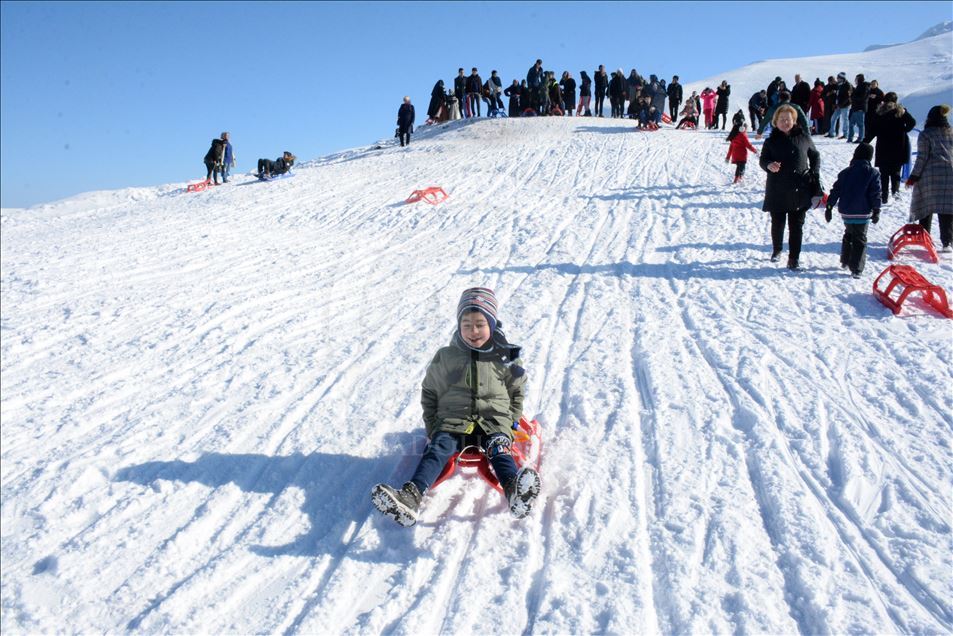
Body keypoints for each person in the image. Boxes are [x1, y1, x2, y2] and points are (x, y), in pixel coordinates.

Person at [371, 288, 541, 526]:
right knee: (437, 451)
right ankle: (411, 497)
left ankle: (514, 491)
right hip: (453, 421)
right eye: (467, 324)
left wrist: (510, 420)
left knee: (500, 451)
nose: (473, 331)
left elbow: (517, 390)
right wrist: (433, 426)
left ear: (492, 324)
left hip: (493, 421)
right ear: (458, 325)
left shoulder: (507, 356)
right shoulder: (447, 356)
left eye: (480, 324)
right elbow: (430, 391)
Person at [759, 105, 823, 270]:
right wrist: (769, 165)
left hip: (799, 187)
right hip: (777, 187)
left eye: (788, 119)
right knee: (778, 222)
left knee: (796, 226)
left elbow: (815, 156)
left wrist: (814, 173)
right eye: (782, 119)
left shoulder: (804, 138)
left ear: (794, 121)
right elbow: (763, 160)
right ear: (776, 122)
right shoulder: (771, 141)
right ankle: (777, 250)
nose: (785, 122)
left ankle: (794, 258)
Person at [824, 143, 881, 278]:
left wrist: (829, 207)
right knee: (860, 238)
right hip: (863, 212)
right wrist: (876, 209)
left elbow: (835, 190)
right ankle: (856, 268)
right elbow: (875, 193)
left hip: (847, 212)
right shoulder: (872, 173)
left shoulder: (845, 172)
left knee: (849, 233)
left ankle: (845, 260)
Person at [906, 105, 953, 252]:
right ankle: (947, 242)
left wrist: (913, 176)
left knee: (926, 206)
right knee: (947, 209)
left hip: (931, 173)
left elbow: (922, 158)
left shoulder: (926, 134)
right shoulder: (951, 132)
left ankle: (924, 238)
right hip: (950, 172)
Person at [863, 92, 916, 204]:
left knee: (884, 172)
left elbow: (873, 130)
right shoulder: (901, 112)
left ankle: (884, 195)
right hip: (899, 146)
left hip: (884, 146)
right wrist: (904, 131)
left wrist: (865, 142)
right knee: (896, 171)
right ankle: (895, 192)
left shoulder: (879, 112)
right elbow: (912, 122)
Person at [826, 72, 852, 139]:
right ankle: (832, 133)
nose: (837, 79)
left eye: (838, 78)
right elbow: (837, 95)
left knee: (845, 119)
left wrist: (841, 104)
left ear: (842, 78)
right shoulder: (839, 85)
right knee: (833, 118)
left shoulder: (847, 85)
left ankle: (845, 134)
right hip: (838, 105)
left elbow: (847, 97)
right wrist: (836, 104)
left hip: (845, 105)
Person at [847, 73, 870, 143]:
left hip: (860, 108)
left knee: (860, 124)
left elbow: (862, 97)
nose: (855, 80)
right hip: (855, 108)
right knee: (851, 124)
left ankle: (860, 138)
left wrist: (852, 95)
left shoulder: (864, 86)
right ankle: (850, 138)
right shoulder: (859, 86)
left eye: (856, 79)